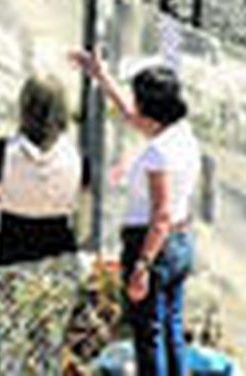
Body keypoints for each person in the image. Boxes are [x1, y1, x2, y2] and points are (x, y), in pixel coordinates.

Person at [71, 52, 201, 376]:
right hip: (181, 241)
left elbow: (160, 215)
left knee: (148, 335)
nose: (134, 107)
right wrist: (101, 76)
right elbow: (132, 117)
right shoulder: (181, 134)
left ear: (150, 109)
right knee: (170, 326)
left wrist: (142, 265)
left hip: (152, 244)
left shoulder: (159, 152)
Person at [0, 75, 85, 266]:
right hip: (59, 255)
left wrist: (7, 198)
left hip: (13, 253)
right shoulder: (76, 156)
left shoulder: (4, 150)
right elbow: (82, 211)